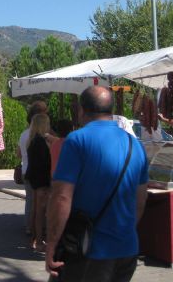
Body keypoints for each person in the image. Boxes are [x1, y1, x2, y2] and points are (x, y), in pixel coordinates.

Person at [45, 86, 149, 282]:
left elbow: (61, 197)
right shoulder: (135, 144)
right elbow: (141, 200)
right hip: (126, 249)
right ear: (111, 109)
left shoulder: (77, 141)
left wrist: (51, 244)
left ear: (81, 110)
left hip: (88, 250)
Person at [17, 100, 48, 236]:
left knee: (30, 201)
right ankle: (37, 229)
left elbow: (18, 154)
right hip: (38, 173)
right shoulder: (41, 136)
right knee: (39, 204)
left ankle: (29, 226)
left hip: (26, 170)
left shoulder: (24, 134)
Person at [25, 113, 52, 252]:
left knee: (36, 211)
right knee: (40, 212)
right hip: (41, 179)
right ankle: (39, 241)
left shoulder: (32, 140)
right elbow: (44, 163)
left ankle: (35, 239)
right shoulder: (41, 142)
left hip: (34, 178)